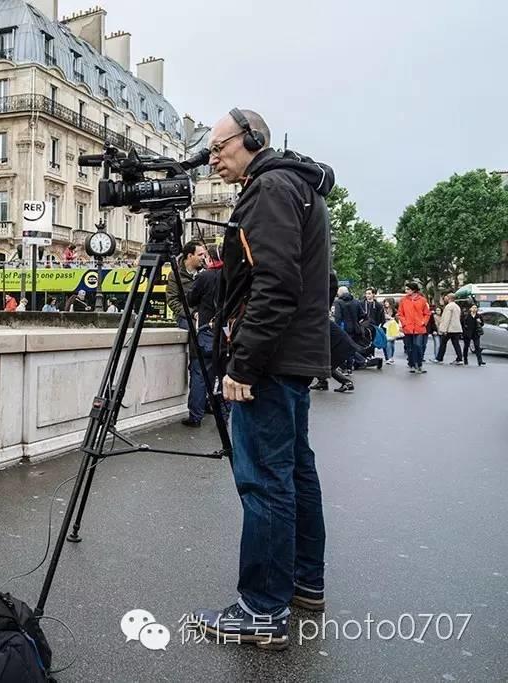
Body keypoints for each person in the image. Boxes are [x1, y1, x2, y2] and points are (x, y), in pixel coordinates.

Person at [196, 108, 333, 649]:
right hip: (294, 357)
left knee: (264, 481)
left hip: (270, 361)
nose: (213, 160)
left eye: (219, 148)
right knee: (295, 472)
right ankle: (304, 584)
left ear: (250, 140)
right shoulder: (296, 187)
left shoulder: (269, 190)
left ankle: (261, 610)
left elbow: (275, 283)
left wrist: (242, 365)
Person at [182, 244, 225, 427]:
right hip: (227, 335)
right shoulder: (232, 276)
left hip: (207, 332)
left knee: (199, 374)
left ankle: (196, 416)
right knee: (224, 377)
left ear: (210, 259)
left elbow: (191, 299)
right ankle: (224, 417)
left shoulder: (205, 276)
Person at [164, 240, 207, 330]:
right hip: (185, 316)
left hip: (206, 315)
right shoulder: (175, 274)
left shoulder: (206, 272)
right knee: (195, 329)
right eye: (200, 255)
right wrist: (193, 313)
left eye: (204, 254)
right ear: (190, 256)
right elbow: (173, 301)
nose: (203, 258)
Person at [397, 282, 431, 373]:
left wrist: (423, 322)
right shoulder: (403, 300)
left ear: (413, 290)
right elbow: (400, 313)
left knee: (418, 346)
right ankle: (412, 364)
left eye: (408, 289)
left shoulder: (422, 300)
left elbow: (427, 313)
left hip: (419, 327)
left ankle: (419, 364)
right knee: (409, 347)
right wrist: (404, 323)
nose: (406, 291)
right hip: (408, 327)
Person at [435, 293, 463, 364]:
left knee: (443, 344)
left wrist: (444, 330)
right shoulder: (457, 306)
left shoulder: (449, 306)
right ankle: (459, 359)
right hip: (456, 328)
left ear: (449, 298)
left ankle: (439, 358)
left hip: (449, 329)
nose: (445, 298)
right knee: (456, 344)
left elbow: (447, 319)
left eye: (446, 297)